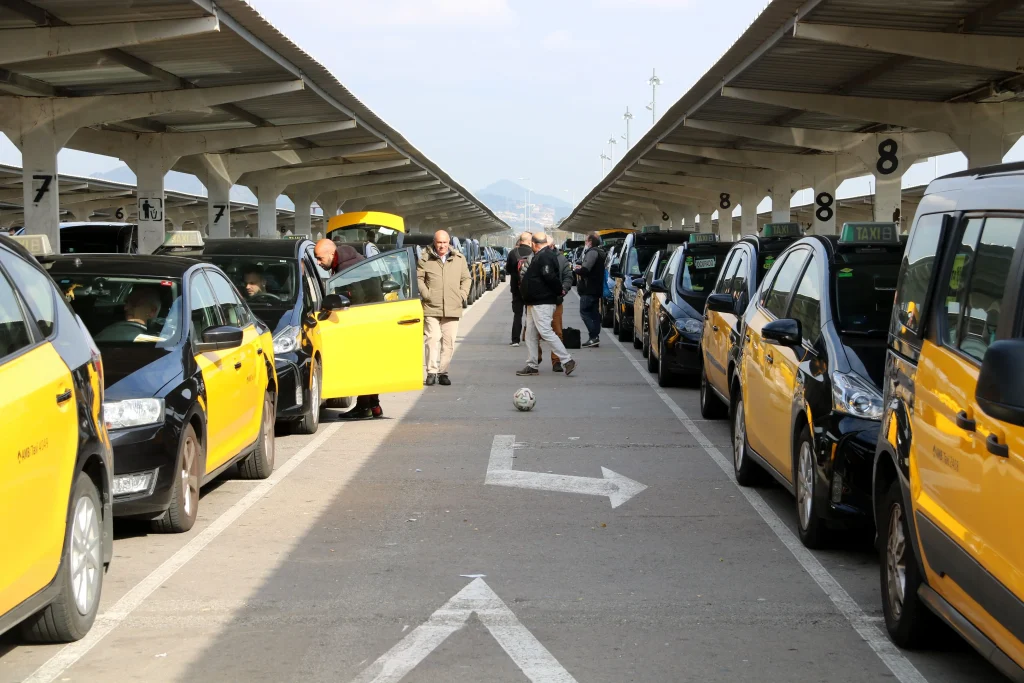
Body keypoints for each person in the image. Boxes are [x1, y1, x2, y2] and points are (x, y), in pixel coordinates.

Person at [313, 238, 383, 419]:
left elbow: (356, 296)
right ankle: (373, 405)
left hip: (362, 321)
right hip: (373, 317)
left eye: (320, 258)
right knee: (369, 364)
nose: (319, 263)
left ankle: (364, 407)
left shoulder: (346, 270)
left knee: (361, 365)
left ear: (331, 253)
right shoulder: (353, 260)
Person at [516, 231, 575, 377]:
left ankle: (567, 360)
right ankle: (532, 364)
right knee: (530, 333)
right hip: (533, 301)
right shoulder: (540, 255)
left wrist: (559, 291)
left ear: (534, 244)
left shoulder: (545, 256)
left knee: (546, 331)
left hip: (542, 301)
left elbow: (549, 276)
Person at [418, 230, 471, 386]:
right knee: (432, 338)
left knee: (448, 343)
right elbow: (419, 278)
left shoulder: (459, 259)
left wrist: (462, 295)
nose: (442, 246)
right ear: (434, 242)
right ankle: (431, 372)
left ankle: (443, 372)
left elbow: (466, 279)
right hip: (431, 306)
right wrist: (426, 294)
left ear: (449, 243)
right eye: (439, 242)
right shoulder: (425, 258)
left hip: (452, 307)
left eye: (445, 242)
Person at [531, 236, 574, 372]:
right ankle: (535, 359)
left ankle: (557, 361)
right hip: (537, 300)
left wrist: (562, 291)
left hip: (555, 300)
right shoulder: (533, 258)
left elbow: (568, 276)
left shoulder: (561, 259)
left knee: (556, 331)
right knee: (534, 333)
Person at [95, 285, 162, 342]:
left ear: (152, 311)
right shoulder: (110, 332)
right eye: (126, 303)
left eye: (134, 303)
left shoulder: (158, 342)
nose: (125, 308)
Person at [574, 231, 605, 348]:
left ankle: (593, 336)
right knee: (594, 313)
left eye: (586, 241)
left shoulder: (592, 253)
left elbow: (586, 270)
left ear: (590, 242)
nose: (585, 243)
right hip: (597, 288)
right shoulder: (601, 253)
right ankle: (595, 337)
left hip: (588, 289)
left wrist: (577, 269)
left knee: (585, 312)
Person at [505, 231, 532, 347]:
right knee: (530, 315)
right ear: (529, 242)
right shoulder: (533, 253)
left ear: (520, 241)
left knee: (517, 314)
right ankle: (530, 337)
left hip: (516, 288)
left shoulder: (512, 253)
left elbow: (508, 270)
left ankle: (515, 340)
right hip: (530, 289)